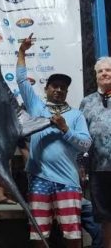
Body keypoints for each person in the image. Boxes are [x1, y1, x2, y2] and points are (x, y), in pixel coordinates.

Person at [16, 33, 92, 248]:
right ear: (47, 89)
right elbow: (22, 80)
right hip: (39, 179)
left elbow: (86, 145)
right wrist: (22, 52)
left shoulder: (76, 115)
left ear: (67, 91)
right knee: (39, 233)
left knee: (72, 233)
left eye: (63, 87)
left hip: (68, 180)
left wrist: (65, 129)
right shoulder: (37, 107)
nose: (58, 89)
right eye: (54, 86)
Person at [79, 56, 111, 248]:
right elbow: (82, 137)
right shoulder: (87, 102)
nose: (104, 73)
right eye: (100, 71)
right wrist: (81, 165)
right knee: (106, 218)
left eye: (108, 70)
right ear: (96, 76)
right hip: (98, 170)